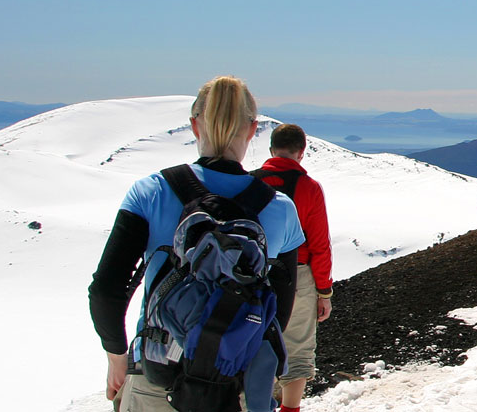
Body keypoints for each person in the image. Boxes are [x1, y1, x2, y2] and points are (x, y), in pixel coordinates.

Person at [89, 76, 304, 412]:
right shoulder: (279, 208)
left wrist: (117, 356)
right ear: (252, 130)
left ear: (194, 126)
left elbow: (106, 288)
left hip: (159, 375)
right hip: (237, 386)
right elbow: (281, 304)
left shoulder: (151, 191)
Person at [250, 123, 333, 412]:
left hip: (251, 275)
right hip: (298, 274)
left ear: (271, 150)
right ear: (302, 151)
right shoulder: (309, 188)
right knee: (296, 350)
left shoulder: (248, 183)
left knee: (248, 343)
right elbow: (320, 245)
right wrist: (324, 292)